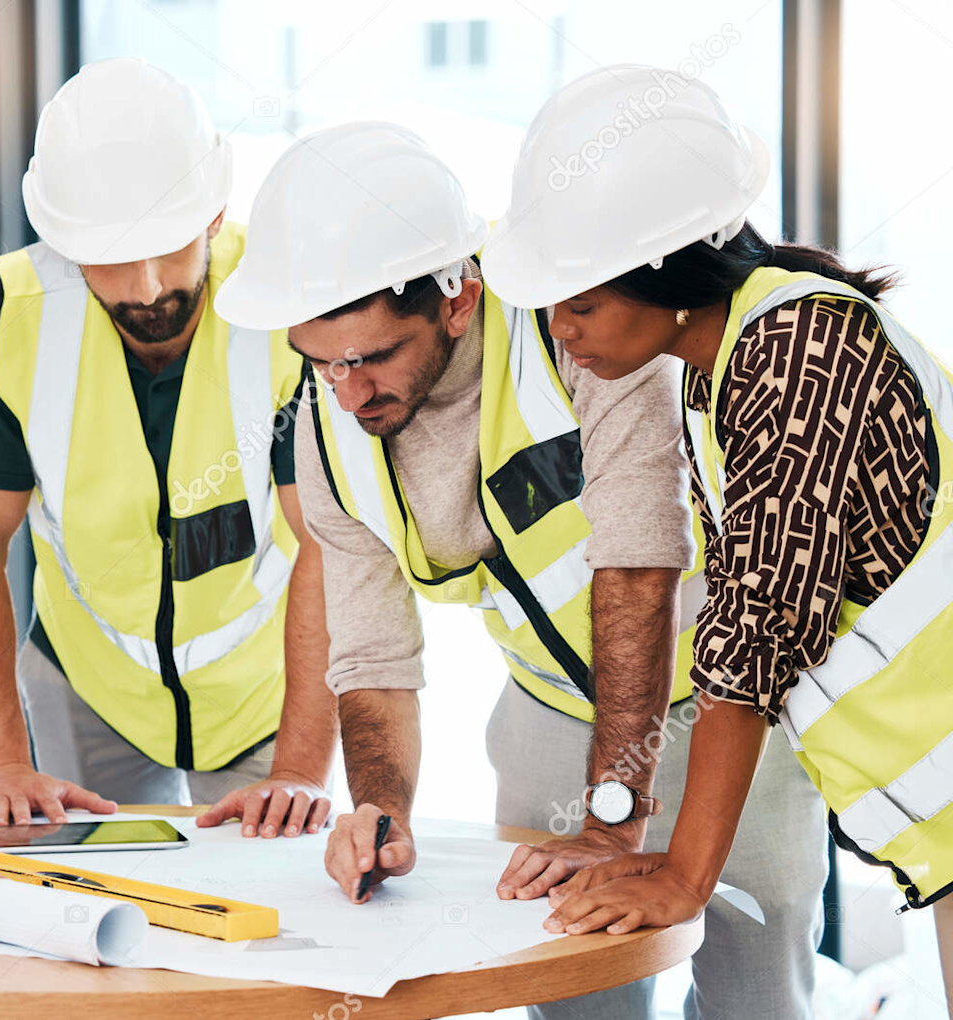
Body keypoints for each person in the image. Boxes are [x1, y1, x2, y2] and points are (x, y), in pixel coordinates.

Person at [216, 120, 829, 1020]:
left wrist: (609, 822)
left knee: (755, 994)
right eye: (321, 362)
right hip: (549, 711)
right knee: (570, 990)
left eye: (373, 358)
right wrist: (381, 812)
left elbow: (638, 563)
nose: (347, 394)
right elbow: (374, 655)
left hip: (729, 700)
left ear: (457, 301)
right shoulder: (327, 425)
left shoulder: (577, 323)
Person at [483, 65, 953, 1013]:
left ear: (668, 272)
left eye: (581, 301)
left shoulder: (794, 354)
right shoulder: (720, 364)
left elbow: (753, 635)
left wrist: (685, 877)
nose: (559, 330)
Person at [0, 58, 336, 837]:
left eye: (169, 244)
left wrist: (299, 769)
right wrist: (4, 767)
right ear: (66, 242)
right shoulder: (11, 314)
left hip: (263, 694)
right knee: (97, 917)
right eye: (116, 254)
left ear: (216, 214)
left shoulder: (286, 304)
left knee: (272, 909)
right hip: (87, 684)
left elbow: (327, 543)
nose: (149, 287)